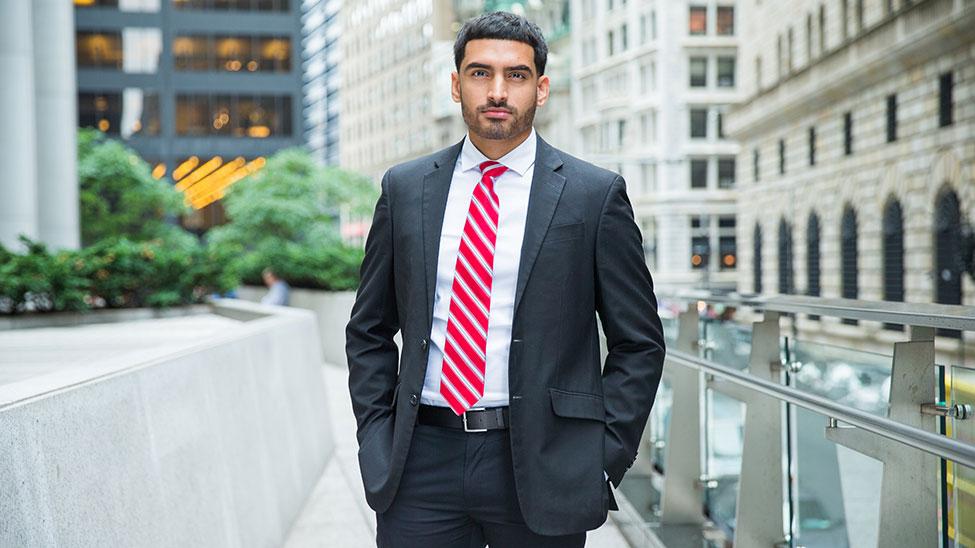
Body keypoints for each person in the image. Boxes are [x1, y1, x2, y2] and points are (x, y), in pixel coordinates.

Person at [345, 11, 666, 547]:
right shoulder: (404, 190)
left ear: (541, 89)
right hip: (421, 461)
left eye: (515, 75)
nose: (497, 91)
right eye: (479, 73)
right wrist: (377, 437)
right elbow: (369, 330)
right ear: (456, 84)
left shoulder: (593, 195)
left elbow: (640, 343)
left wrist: (602, 457)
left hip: (544, 463)